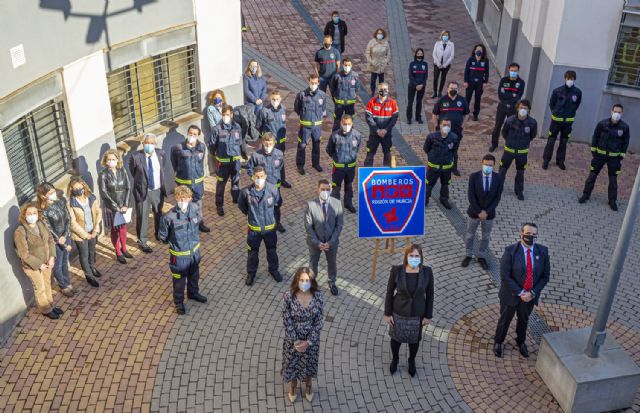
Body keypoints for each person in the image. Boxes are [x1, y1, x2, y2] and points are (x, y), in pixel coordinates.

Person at [494, 223, 550, 358]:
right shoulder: (510, 251)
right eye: (528, 233)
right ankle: (499, 341)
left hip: (530, 296)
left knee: (523, 320)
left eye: (533, 234)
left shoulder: (542, 252)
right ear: (521, 234)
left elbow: (545, 277)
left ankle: (521, 341)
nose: (530, 237)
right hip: (511, 295)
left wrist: (532, 293)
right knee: (505, 319)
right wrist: (520, 292)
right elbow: (505, 277)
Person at [384, 244, 434, 377]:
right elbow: (389, 292)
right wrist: (387, 313)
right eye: (411, 256)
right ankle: (395, 359)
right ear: (406, 257)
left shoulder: (427, 272)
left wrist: (428, 315)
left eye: (416, 256)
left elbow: (430, 294)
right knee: (396, 339)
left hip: (417, 314)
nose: (414, 258)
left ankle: (411, 361)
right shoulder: (397, 270)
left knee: (414, 341)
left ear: (421, 257)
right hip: (399, 312)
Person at [158, 185, 208, 315]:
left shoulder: (196, 209)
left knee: (194, 275)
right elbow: (162, 236)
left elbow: (199, 224)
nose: (183, 202)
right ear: (176, 198)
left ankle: (193, 293)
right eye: (180, 199)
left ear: (190, 198)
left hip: (194, 252)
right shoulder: (169, 217)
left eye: (186, 199)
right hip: (179, 257)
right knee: (179, 281)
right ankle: (179, 302)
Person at [282, 267, 324, 403]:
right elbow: (286, 319)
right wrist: (295, 341)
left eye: (307, 280)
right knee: (292, 363)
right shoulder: (289, 296)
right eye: (302, 280)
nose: (304, 283)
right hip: (293, 339)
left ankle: (309, 385)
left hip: (311, 340)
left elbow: (319, 320)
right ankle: (293, 385)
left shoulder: (318, 296)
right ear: (297, 280)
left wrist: (308, 341)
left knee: (309, 364)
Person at [14, 203, 63, 319]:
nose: (32, 216)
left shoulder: (42, 224)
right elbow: (23, 254)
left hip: (47, 262)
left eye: (34, 213)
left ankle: (51, 305)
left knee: (47, 284)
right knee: (40, 287)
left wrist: (52, 257)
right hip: (32, 266)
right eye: (29, 214)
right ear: (24, 215)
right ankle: (45, 310)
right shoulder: (20, 231)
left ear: (38, 214)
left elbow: (50, 240)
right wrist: (39, 265)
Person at [579, 104, 630, 211]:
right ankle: (585, 195)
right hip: (600, 156)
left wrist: (620, 156)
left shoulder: (624, 127)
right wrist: (594, 151)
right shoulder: (602, 124)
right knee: (592, 175)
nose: (617, 114)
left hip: (614, 159)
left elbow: (625, 142)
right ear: (611, 111)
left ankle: (612, 201)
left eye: (619, 112)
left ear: (622, 113)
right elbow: (595, 137)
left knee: (613, 180)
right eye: (615, 111)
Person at [238, 166, 282, 286]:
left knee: (272, 251)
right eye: (257, 177)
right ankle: (251, 273)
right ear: (252, 177)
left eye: (262, 176)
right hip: (254, 231)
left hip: (270, 230)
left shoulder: (273, 189)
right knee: (252, 254)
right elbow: (242, 207)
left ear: (266, 176)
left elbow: (278, 203)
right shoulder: (245, 192)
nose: (259, 179)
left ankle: (273, 270)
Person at [463, 154, 504, 270]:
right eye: (486, 164)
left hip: (489, 214)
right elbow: (471, 196)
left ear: (494, 166)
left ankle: (482, 256)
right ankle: (468, 254)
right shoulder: (474, 177)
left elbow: (497, 197)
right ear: (482, 163)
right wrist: (479, 211)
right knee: (470, 235)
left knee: (486, 237)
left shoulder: (498, 178)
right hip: (474, 212)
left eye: (490, 165)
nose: (487, 167)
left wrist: (486, 211)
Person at [128, 133, 167, 253]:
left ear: (155, 144)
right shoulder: (135, 157)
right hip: (142, 191)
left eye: (151, 143)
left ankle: (159, 234)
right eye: (147, 143)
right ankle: (142, 241)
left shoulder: (161, 154)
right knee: (142, 216)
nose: (149, 145)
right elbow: (133, 173)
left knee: (158, 213)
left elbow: (162, 169)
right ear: (143, 144)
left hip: (157, 190)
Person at [305, 179, 344, 296]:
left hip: (331, 243)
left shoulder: (337, 204)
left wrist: (330, 242)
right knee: (313, 263)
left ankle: (332, 282)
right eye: (323, 189)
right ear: (318, 190)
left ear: (331, 190)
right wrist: (317, 242)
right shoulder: (310, 205)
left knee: (332, 262)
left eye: (328, 189)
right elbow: (308, 227)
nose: (325, 192)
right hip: (314, 243)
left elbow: (339, 225)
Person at [208, 104, 247, 217]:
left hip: (235, 162)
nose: (226, 117)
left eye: (228, 115)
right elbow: (212, 146)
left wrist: (244, 155)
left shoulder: (237, 127)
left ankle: (236, 199)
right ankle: (219, 206)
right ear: (222, 114)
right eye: (224, 115)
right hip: (223, 164)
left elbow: (240, 142)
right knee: (221, 185)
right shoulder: (217, 129)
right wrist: (216, 157)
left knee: (236, 182)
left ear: (232, 115)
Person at [171, 125, 211, 233]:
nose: (192, 136)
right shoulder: (177, 148)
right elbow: (174, 164)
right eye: (190, 133)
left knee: (198, 205)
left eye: (194, 134)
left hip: (198, 184)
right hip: (184, 184)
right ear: (187, 133)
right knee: (183, 206)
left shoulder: (201, 147)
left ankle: (199, 224)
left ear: (198, 136)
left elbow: (200, 162)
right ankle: (185, 226)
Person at [37, 182, 74, 296]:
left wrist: (65, 234)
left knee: (65, 262)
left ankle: (67, 282)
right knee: (58, 264)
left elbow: (68, 218)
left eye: (53, 191)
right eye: (50, 193)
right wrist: (59, 239)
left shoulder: (60, 202)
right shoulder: (43, 211)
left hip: (65, 236)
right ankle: (63, 286)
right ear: (43, 196)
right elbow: (48, 228)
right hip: (55, 242)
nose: (54, 193)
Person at [542, 70, 582, 170]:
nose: (570, 80)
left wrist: (569, 114)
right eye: (568, 78)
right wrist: (556, 113)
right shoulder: (557, 91)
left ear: (574, 79)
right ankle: (546, 160)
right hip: (556, 121)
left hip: (568, 123)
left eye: (572, 79)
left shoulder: (577, 92)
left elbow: (576, 105)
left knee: (563, 142)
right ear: (565, 78)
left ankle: (560, 161)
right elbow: (552, 104)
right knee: (551, 140)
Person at [98, 149, 133, 264]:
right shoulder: (103, 175)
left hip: (123, 206)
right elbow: (104, 193)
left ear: (118, 160)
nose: (111, 161)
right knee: (114, 230)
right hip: (111, 207)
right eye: (109, 160)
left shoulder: (122, 171)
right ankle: (118, 252)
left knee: (122, 228)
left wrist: (125, 205)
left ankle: (124, 248)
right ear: (105, 161)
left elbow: (128, 188)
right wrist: (115, 207)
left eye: (114, 159)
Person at [499, 100, 538, 200]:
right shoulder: (510, 120)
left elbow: (532, 135)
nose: (523, 110)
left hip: (522, 153)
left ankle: (519, 191)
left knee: (520, 172)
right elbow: (504, 133)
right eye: (521, 108)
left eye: (525, 108)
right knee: (502, 170)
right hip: (509, 151)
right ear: (517, 108)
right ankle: (498, 189)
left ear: (528, 110)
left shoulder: (532, 123)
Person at [247, 132, 286, 233]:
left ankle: (277, 223)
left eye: (270, 144)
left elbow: (280, 168)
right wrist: (255, 180)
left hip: (275, 187)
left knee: (277, 205)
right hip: (261, 187)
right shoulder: (256, 155)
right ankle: (264, 224)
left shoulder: (279, 154)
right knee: (263, 206)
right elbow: (250, 169)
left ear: (274, 143)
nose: (268, 146)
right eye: (266, 144)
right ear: (263, 142)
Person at [67, 177, 102, 288]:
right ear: (71, 190)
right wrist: (85, 235)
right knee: (84, 255)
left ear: (84, 187)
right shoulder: (70, 203)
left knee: (92, 251)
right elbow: (72, 223)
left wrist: (96, 229)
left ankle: (92, 267)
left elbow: (98, 212)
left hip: (93, 231)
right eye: (75, 189)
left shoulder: (91, 197)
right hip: (80, 235)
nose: (78, 190)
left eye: (80, 188)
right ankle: (89, 276)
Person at [432, 81, 469, 176]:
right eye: (451, 88)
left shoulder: (462, 100)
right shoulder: (442, 100)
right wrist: (436, 127)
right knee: (441, 148)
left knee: (454, 150)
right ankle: (439, 166)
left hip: (456, 131)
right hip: (443, 131)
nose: (453, 90)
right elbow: (434, 114)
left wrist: (462, 126)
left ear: (458, 89)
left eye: (455, 88)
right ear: (447, 89)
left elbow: (467, 114)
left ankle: (454, 168)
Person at [326, 115, 361, 212]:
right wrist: (337, 158)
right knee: (336, 187)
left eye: (349, 124)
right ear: (341, 123)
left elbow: (357, 148)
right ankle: (335, 206)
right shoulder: (335, 135)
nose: (347, 126)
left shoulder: (357, 135)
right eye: (345, 124)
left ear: (352, 124)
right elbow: (329, 149)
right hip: (338, 168)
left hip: (350, 167)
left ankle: (348, 204)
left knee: (349, 186)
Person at [258, 90, 292, 188]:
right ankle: (267, 182)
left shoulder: (283, 109)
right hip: (269, 143)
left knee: (280, 161)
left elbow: (283, 124)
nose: (275, 101)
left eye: (277, 99)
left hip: (280, 143)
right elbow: (258, 125)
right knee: (267, 163)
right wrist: (265, 137)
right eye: (273, 99)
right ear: (270, 98)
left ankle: (282, 180)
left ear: (280, 99)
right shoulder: (264, 111)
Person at [423, 118, 459, 209]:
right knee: (428, 185)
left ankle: (444, 199)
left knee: (445, 185)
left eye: (448, 125)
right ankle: (424, 200)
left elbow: (454, 151)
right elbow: (426, 149)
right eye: (444, 125)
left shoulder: (454, 137)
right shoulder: (432, 136)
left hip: (447, 168)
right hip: (433, 168)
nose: (446, 127)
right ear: (440, 125)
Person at [294, 74, 327, 175]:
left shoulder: (322, 95)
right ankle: (300, 165)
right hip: (305, 127)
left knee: (316, 145)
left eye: (315, 83)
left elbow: (323, 109)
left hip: (317, 127)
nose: (313, 84)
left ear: (318, 83)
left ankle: (315, 164)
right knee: (302, 146)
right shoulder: (302, 95)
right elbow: (297, 108)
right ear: (308, 81)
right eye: (312, 83)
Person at [489, 63, 525, 152]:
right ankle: (494, 144)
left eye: (515, 71)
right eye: (512, 70)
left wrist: (508, 96)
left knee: (512, 127)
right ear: (509, 70)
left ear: (518, 71)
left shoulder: (521, 82)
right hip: (502, 107)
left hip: (513, 108)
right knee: (497, 126)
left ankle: (509, 144)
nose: (513, 72)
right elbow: (501, 95)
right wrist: (511, 95)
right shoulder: (504, 80)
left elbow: (518, 97)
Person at [364, 82, 399, 167]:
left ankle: (386, 173)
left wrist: (386, 130)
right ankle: (367, 173)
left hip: (387, 134)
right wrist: (377, 130)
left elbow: (394, 119)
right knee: (370, 155)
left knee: (387, 154)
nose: (383, 91)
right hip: (374, 134)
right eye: (381, 89)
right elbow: (369, 119)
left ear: (388, 90)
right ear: (377, 90)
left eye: (385, 89)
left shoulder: (393, 103)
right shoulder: (371, 103)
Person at [329, 57, 361, 130]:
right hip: (339, 103)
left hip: (350, 103)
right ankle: (335, 135)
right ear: (342, 65)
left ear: (351, 65)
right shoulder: (337, 76)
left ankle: (350, 134)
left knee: (350, 120)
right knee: (337, 120)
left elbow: (357, 88)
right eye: (345, 65)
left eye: (348, 65)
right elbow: (332, 88)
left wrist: (352, 96)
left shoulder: (355, 76)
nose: (347, 67)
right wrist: (335, 98)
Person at [464, 44, 489, 121]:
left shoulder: (485, 60)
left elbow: (487, 72)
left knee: (478, 99)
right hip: (470, 82)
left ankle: (475, 114)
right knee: (467, 98)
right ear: (474, 50)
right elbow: (466, 71)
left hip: (479, 83)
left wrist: (485, 82)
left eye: (480, 50)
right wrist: (465, 81)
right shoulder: (471, 59)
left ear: (483, 51)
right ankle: (466, 113)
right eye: (477, 49)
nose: (478, 51)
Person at [365, 28, 391, 96]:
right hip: (374, 64)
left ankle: (381, 93)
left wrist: (386, 62)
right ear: (376, 34)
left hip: (382, 65)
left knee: (381, 81)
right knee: (373, 80)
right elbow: (367, 53)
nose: (380, 35)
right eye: (378, 33)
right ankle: (372, 91)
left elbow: (388, 54)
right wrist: (371, 61)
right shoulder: (371, 42)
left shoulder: (386, 43)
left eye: (381, 33)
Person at [406, 48, 428, 124]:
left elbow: (426, 76)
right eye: (418, 54)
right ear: (416, 54)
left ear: (423, 55)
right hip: (412, 86)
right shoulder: (412, 64)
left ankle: (418, 117)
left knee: (419, 102)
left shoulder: (425, 64)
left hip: (422, 86)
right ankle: (409, 118)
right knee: (410, 102)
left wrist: (422, 85)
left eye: (421, 54)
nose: (419, 55)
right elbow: (410, 76)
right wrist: (416, 85)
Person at [431, 30, 454, 98]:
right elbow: (434, 54)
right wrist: (438, 64)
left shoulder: (451, 44)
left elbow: (452, 56)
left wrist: (444, 65)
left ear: (449, 36)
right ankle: (435, 92)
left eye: (446, 35)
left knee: (443, 78)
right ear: (441, 36)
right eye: (444, 35)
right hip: (437, 64)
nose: (445, 37)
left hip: (446, 65)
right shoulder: (437, 43)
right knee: (435, 78)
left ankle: (440, 92)